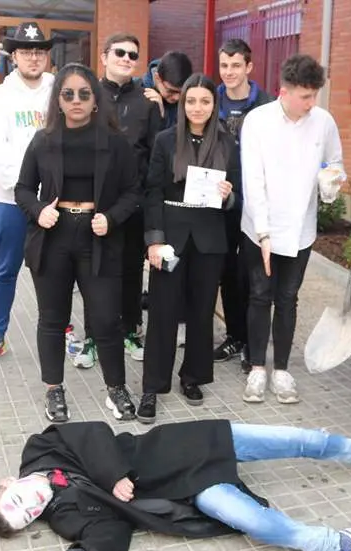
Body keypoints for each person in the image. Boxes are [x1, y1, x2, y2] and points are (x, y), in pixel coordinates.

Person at [0, 419, 351, 551]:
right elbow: (110, 532)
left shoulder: (41, 448)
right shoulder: (64, 516)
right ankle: (338, 544)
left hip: (184, 445)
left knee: (298, 439)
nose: (33, 504)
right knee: (256, 524)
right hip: (185, 492)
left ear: (9, 481)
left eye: (18, 499)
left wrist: (112, 476)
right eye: (27, 515)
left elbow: (92, 434)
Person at [14, 63, 142, 423]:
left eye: (84, 94)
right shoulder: (43, 141)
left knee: (106, 319)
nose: (76, 100)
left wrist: (111, 217)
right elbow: (23, 189)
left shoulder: (114, 142)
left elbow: (134, 191)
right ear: (58, 99)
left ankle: (116, 388)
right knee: (52, 319)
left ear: (95, 100)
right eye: (68, 94)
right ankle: (54, 390)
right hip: (53, 236)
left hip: (98, 236)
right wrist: (38, 210)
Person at [239, 55, 345, 405]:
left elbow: (334, 163)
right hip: (259, 227)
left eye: (315, 95)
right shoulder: (258, 121)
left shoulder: (324, 122)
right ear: (283, 92)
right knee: (259, 295)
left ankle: (282, 369)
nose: (311, 103)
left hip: (301, 229)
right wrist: (263, 233)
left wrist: (331, 181)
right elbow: (253, 180)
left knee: (288, 298)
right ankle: (257, 367)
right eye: (305, 96)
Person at [140, 73, 242, 423]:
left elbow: (237, 196)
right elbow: (152, 191)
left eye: (205, 101)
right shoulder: (166, 140)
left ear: (215, 105)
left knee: (201, 312)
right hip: (171, 237)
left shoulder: (227, 143)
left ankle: (192, 376)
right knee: (163, 313)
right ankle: (152, 386)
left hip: (209, 239)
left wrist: (229, 197)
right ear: (182, 104)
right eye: (192, 101)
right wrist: (154, 240)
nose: (198, 108)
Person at [69, 32, 161, 370]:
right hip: (95, 203)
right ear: (104, 56)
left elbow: (155, 154)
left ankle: (131, 331)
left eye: (133, 55)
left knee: (131, 270)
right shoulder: (87, 95)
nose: (126, 59)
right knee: (93, 271)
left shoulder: (147, 102)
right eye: (119, 52)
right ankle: (93, 337)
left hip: (134, 202)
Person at [0, 22, 55, 365]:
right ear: (14, 56)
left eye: (39, 52)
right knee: (5, 270)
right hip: (10, 201)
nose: (33, 58)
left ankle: (61, 328)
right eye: (26, 52)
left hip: (53, 202)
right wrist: (28, 194)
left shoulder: (58, 91)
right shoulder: (0, 97)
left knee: (55, 270)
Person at [213, 39, 273, 374]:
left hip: (255, 202)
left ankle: (253, 342)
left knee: (253, 276)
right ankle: (234, 335)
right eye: (224, 65)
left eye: (236, 65)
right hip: (221, 200)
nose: (229, 72)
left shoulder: (267, 105)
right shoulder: (212, 98)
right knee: (226, 271)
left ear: (249, 67)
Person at [140, 50, 193, 130]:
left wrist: (163, 114)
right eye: (171, 91)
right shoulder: (136, 92)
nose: (177, 97)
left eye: (182, 92)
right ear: (157, 78)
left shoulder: (191, 98)